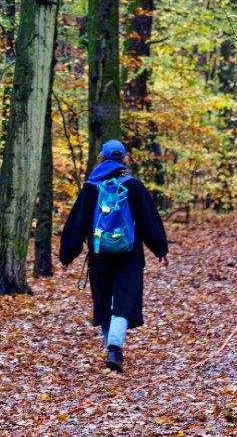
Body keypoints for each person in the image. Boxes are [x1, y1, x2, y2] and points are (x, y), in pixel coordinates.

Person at [59, 139, 169, 372]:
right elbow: (149, 220)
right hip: (129, 255)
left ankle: (112, 348)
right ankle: (114, 349)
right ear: (124, 160)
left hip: (100, 255)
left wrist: (67, 254)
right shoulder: (134, 186)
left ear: (101, 158)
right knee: (124, 301)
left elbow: (78, 222)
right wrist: (161, 250)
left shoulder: (91, 187)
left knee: (104, 302)